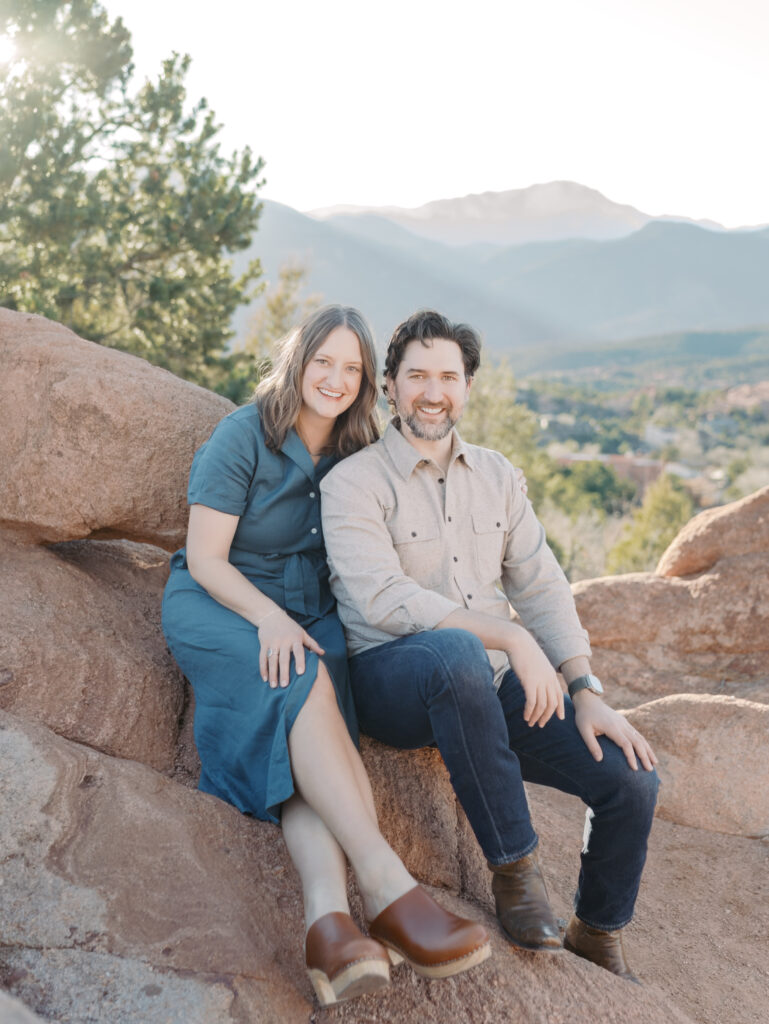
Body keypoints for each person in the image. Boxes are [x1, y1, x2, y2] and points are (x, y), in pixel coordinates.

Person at [161, 306, 490, 1008]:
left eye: (352, 368)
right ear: (297, 361)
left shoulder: (357, 449)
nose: (335, 379)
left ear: (367, 381)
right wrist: (269, 619)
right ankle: (387, 885)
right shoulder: (242, 435)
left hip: (313, 611)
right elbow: (207, 560)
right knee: (303, 681)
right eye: (323, 362)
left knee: (318, 741)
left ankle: (327, 927)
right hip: (224, 604)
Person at [320, 309, 660, 983]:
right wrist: (505, 635)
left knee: (630, 778)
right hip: (393, 681)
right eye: (416, 375)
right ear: (389, 386)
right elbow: (380, 599)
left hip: (488, 687)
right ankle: (515, 871)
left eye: (447, 376)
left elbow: (540, 584)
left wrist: (584, 688)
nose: (432, 391)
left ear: (467, 387)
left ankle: (596, 931)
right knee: (457, 653)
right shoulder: (352, 483)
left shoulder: (500, 477)